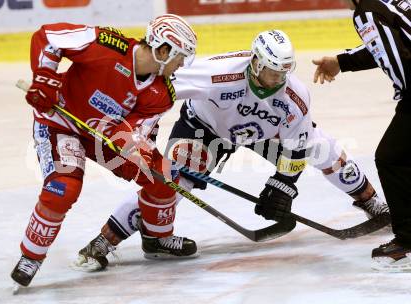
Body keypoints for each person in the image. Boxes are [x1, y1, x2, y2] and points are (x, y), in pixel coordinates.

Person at [74, 29, 390, 272]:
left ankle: (373, 203)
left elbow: (298, 144)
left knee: (323, 149)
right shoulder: (216, 73)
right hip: (205, 129)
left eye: (282, 74)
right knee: (171, 179)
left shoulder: (294, 95)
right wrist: (135, 127)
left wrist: (283, 185)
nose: (275, 81)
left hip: (260, 135)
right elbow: (157, 89)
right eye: (269, 72)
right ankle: (103, 241)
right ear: (254, 62)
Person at [10, 14, 199, 287]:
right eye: (180, 56)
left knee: (164, 176)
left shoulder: (161, 93)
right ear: (163, 50)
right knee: (63, 188)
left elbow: (137, 130)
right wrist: (45, 79)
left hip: (103, 138)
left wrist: (133, 143)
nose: (181, 64)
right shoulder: (108, 45)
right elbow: (48, 38)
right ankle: (31, 256)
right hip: (61, 122)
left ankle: (157, 238)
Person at [312, 0, 411, 271]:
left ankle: (407, 240)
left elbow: (396, 58)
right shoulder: (390, 3)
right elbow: (388, 45)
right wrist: (342, 62)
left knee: (392, 158)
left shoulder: (366, 11)